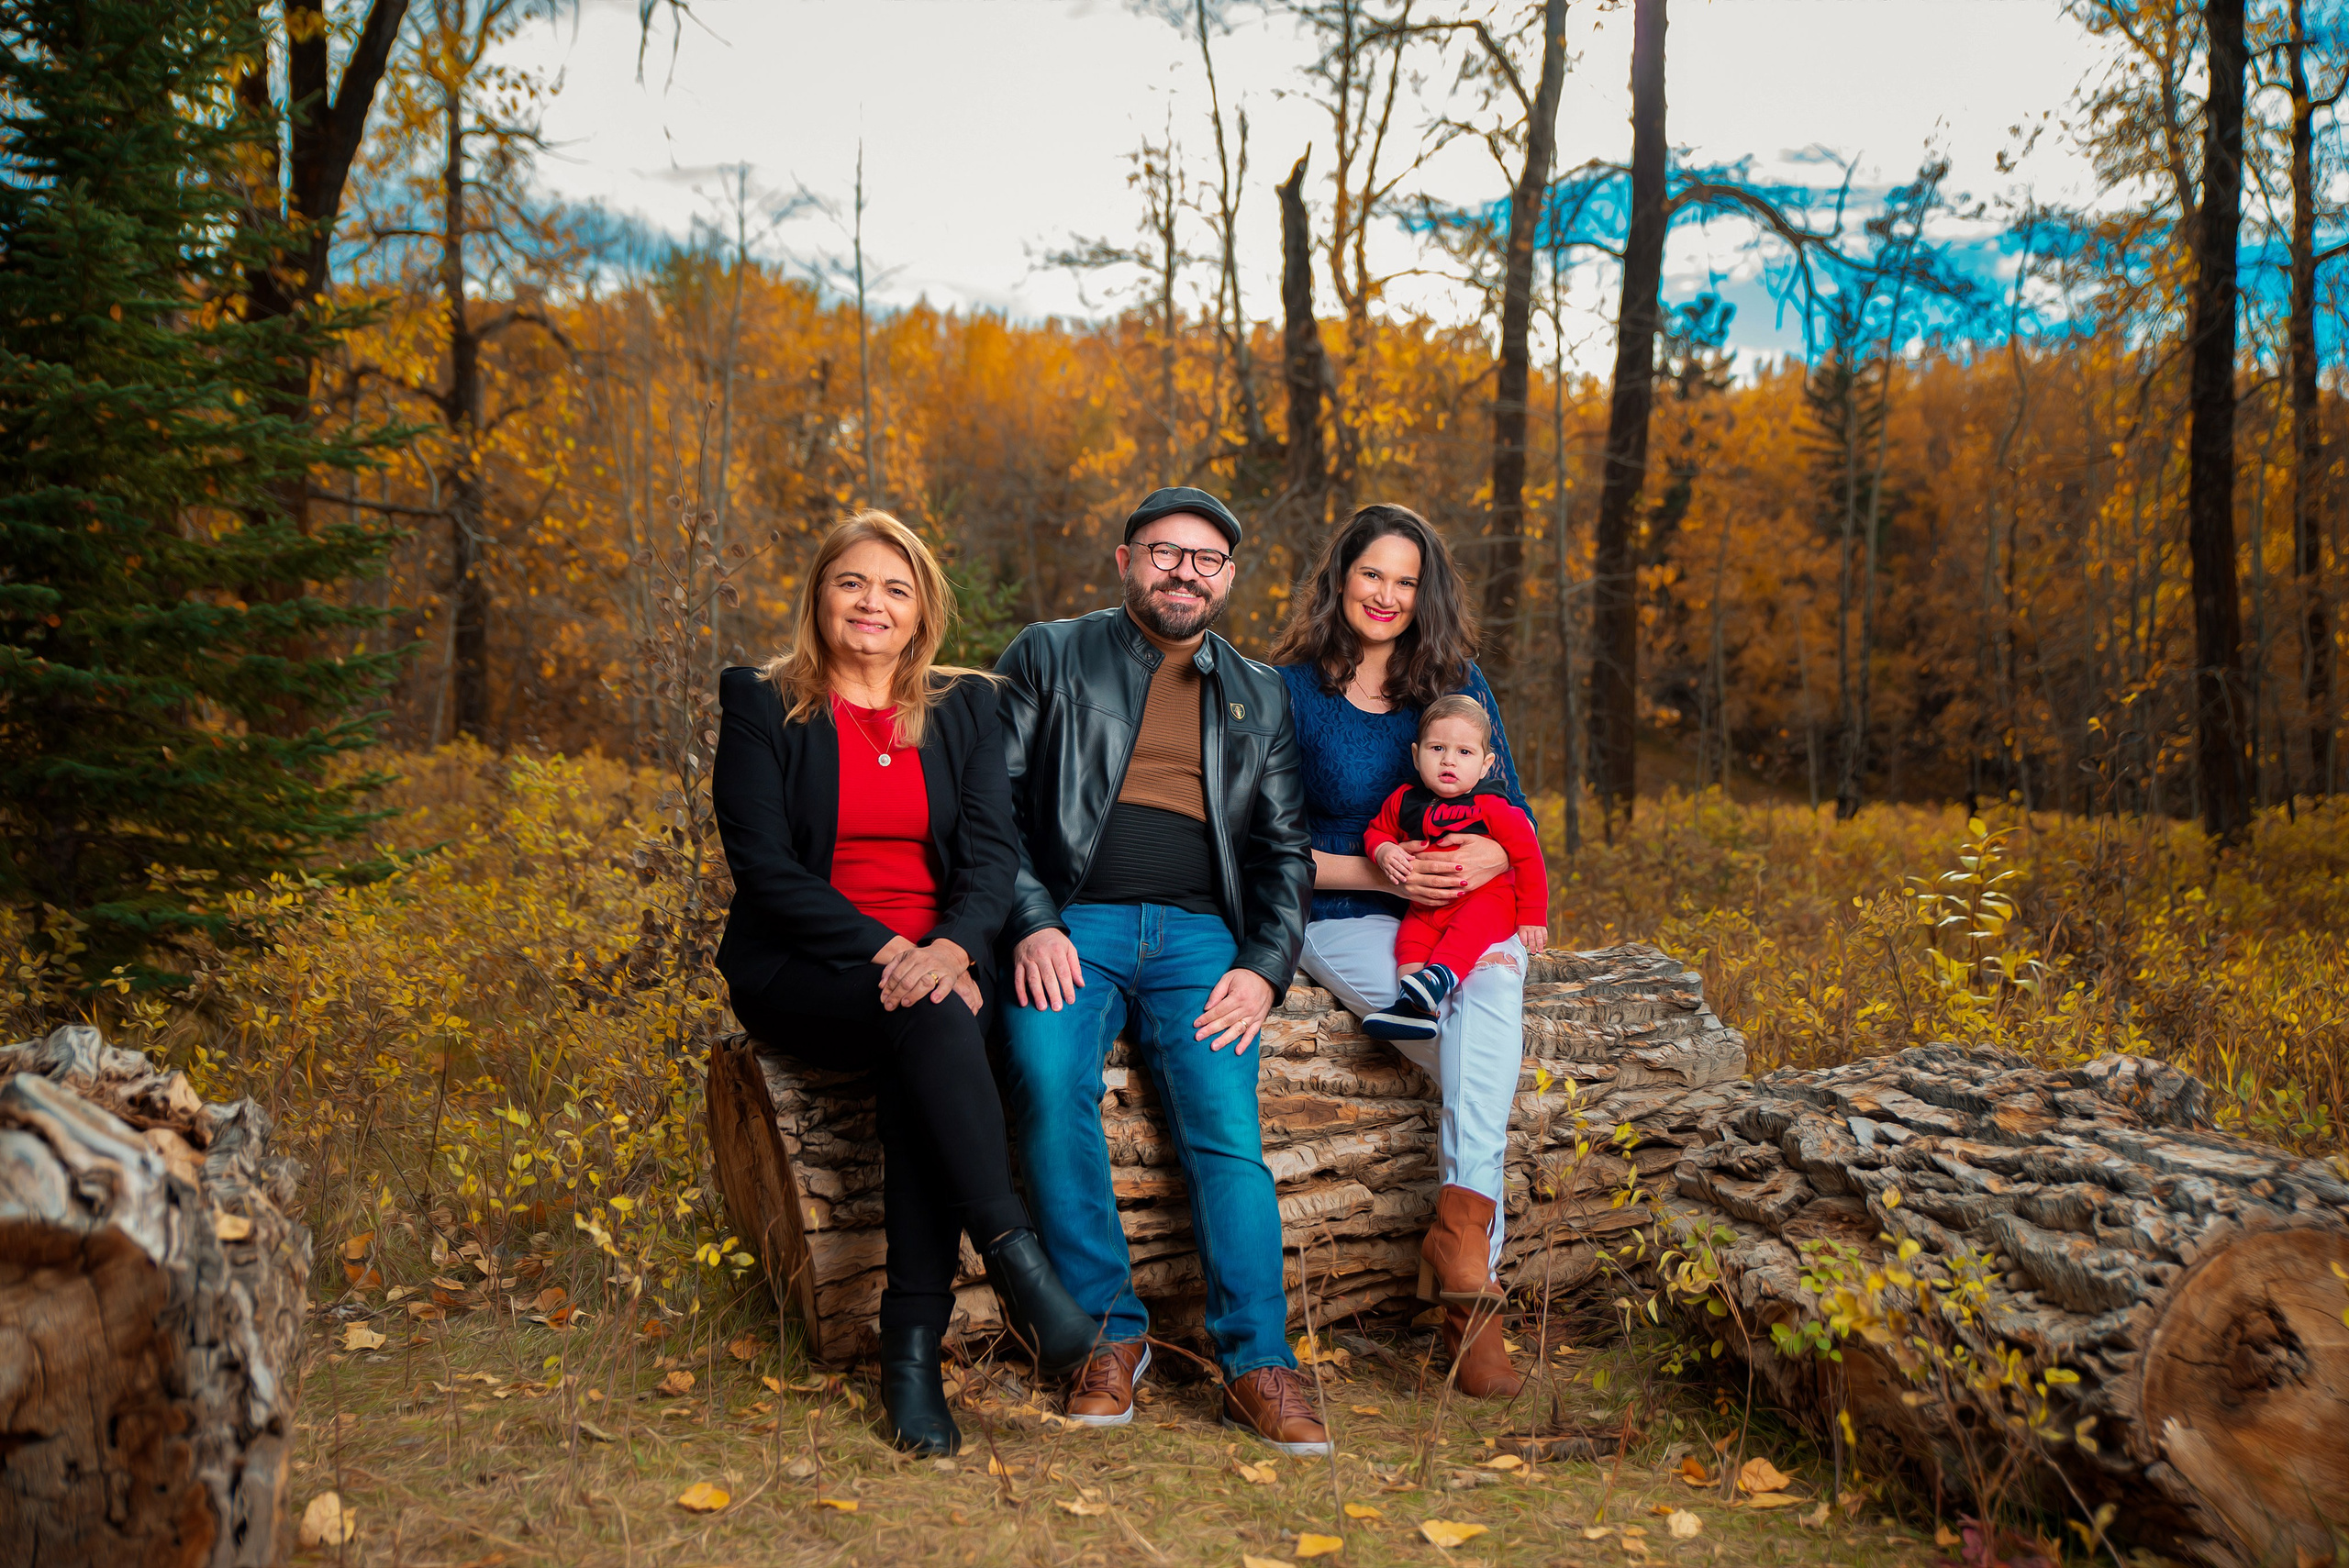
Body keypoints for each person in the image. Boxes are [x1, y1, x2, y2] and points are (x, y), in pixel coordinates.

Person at [711, 510, 1097, 1459]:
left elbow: (992, 855)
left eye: (894, 587)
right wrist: (897, 954)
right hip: (804, 964)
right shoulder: (762, 702)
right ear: (819, 594)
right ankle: (1008, 1268)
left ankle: (913, 1357)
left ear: (922, 608)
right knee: (929, 1017)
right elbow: (764, 866)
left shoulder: (964, 705)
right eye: (852, 582)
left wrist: (955, 949)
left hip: (936, 965)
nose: (871, 603)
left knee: (925, 1043)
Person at [995, 485, 1328, 1454]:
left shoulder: (1257, 691)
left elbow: (1284, 853)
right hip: (1074, 926)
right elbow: (993, 810)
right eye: (1164, 551)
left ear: (1227, 577)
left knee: (1226, 1128)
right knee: (1050, 1084)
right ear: (1124, 559)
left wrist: (1265, 966)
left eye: (1206, 558)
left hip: (1199, 940)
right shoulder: (1049, 653)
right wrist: (1030, 921)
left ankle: (1257, 1360)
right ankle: (1108, 1337)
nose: (1185, 570)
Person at [1268, 503, 1531, 1397]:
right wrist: (1385, 874)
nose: (1386, 594)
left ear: (1427, 594)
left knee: (1490, 987)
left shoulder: (1457, 679)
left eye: (1405, 579)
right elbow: (1268, 845)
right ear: (1340, 575)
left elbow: (1517, 813)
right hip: (1342, 910)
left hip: (1468, 912)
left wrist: (1486, 859)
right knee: (1471, 1035)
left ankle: (1462, 1260)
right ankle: (1472, 1282)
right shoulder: (1290, 689)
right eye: (1371, 572)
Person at [1358, 695, 1550, 1047]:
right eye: (1437, 748)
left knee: (1468, 931)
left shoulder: (1493, 806)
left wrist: (1533, 915)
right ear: (1416, 755)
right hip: (1426, 905)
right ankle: (1414, 1009)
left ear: (1486, 764)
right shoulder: (1404, 800)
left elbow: (1528, 856)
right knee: (1408, 942)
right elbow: (1377, 831)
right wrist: (1383, 850)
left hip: (1488, 902)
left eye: (1464, 752)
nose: (1448, 760)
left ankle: (1440, 978)